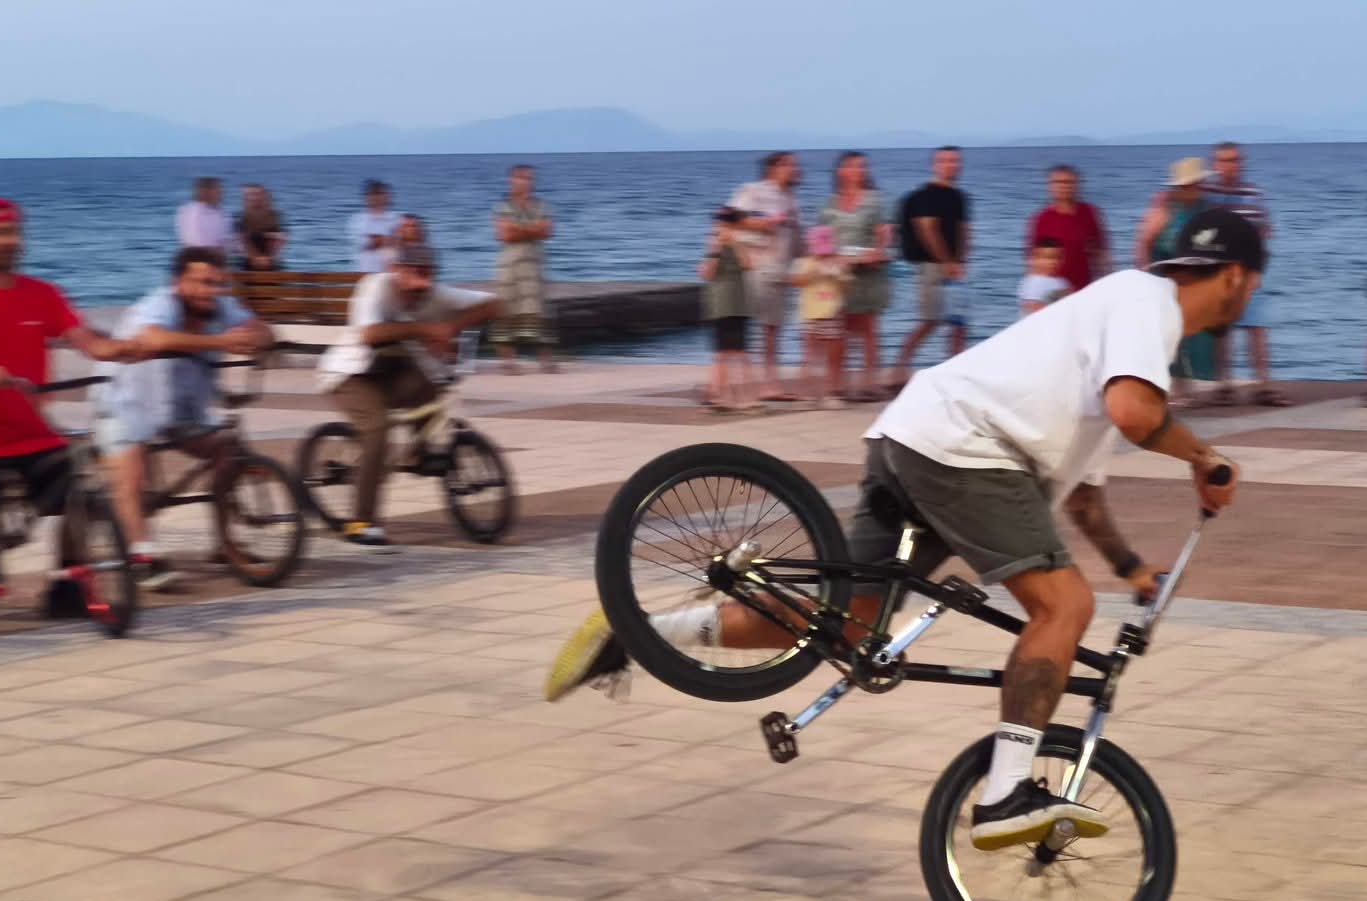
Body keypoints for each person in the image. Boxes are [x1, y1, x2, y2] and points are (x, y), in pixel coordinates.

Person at [545, 208, 1261, 849]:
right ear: (1235, 276)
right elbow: (1137, 416)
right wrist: (1205, 457)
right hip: (966, 447)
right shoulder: (1148, 303)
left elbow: (1086, 499)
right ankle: (1007, 793)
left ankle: (634, 631)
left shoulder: (1120, 322)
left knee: (847, 624)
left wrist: (1134, 571)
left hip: (916, 435)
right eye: (1253, 283)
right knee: (1064, 607)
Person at [0, 199, 139, 616]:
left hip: (34, 432)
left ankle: (65, 585)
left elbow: (85, 339)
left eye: (13, 232)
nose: (7, 241)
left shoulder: (43, 294)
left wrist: (120, 350)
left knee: (78, 494)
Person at [97, 247, 273, 589]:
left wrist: (256, 338)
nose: (210, 290)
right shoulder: (159, 305)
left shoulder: (222, 307)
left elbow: (263, 331)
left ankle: (225, 544)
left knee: (230, 452)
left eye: (217, 283)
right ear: (178, 282)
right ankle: (142, 557)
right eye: (201, 282)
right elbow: (153, 337)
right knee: (132, 472)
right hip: (127, 399)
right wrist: (219, 341)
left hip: (182, 408)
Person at [315, 244, 500, 549]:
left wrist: (450, 328)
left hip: (390, 371)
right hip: (350, 373)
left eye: (427, 277)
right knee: (378, 431)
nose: (420, 288)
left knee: (431, 386)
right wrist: (425, 330)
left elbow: (494, 305)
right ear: (396, 271)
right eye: (414, 277)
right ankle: (361, 523)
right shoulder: (376, 287)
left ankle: (418, 453)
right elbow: (369, 334)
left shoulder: (434, 294)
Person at [1207, 142, 1287, 407]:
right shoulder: (1208, 195)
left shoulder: (1252, 193)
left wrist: (1257, 271)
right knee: (1222, 331)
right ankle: (1224, 386)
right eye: (1226, 160)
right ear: (1215, 165)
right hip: (1219, 273)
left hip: (1248, 270)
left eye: (1236, 160)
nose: (1232, 166)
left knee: (1257, 328)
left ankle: (1262, 386)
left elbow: (1262, 234)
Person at [1135, 158, 1217, 404]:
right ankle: (1171, 387)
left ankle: (1187, 386)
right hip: (1164, 276)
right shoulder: (1163, 207)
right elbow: (1144, 242)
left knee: (1194, 334)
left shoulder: (1205, 207)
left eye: (1197, 184)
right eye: (1189, 185)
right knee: (1170, 334)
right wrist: (1144, 274)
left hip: (1193, 277)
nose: (1194, 188)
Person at [818, 151, 892, 403]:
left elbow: (885, 232)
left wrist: (878, 251)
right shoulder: (829, 204)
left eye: (863, 167)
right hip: (839, 273)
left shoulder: (874, 201)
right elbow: (821, 238)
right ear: (842, 171)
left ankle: (869, 384)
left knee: (868, 329)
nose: (860, 171)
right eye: (854, 166)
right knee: (838, 329)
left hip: (868, 272)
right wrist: (826, 257)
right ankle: (836, 385)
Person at [729, 152, 803, 400]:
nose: (795, 169)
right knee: (754, 327)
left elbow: (795, 240)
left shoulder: (790, 199)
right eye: (790, 165)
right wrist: (765, 223)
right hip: (758, 267)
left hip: (780, 271)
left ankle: (769, 385)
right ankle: (738, 383)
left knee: (772, 330)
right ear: (774, 167)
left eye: (795, 165)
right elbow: (730, 219)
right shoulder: (753, 191)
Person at [894, 146, 972, 380]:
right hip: (931, 266)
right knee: (930, 321)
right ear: (934, 165)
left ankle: (956, 371)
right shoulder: (926, 196)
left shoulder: (959, 196)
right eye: (945, 161)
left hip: (955, 266)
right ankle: (900, 367)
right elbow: (927, 229)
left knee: (958, 324)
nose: (951, 165)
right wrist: (946, 261)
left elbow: (963, 230)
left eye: (955, 161)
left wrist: (961, 260)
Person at [491, 164, 556, 374]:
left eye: (529, 178)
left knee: (539, 310)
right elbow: (504, 235)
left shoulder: (542, 205)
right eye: (522, 178)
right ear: (511, 180)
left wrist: (519, 229)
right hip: (509, 264)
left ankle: (546, 361)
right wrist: (533, 229)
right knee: (506, 311)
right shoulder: (502, 206)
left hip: (534, 264)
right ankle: (508, 362)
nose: (527, 182)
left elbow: (547, 231)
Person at [700, 207, 756, 413]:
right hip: (719, 305)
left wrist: (735, 242)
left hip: (738, 304)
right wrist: (715, 251)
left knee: (740, 352)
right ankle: (718, 396)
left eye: (724, 222)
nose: (720, 226)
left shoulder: (741, 241)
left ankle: (745, 397)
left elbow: (748, 264)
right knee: (721, 353)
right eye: (718, 222)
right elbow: (706, 274)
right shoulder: (712, 242)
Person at [790, 225, 850, 409]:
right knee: (810, 355)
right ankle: (808, 393)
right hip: (811, 314)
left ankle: (831, 392)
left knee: (834, 356)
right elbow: (795, 281)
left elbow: (846, 285)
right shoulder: (805, 263)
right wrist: (814, 272)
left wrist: (838, 273)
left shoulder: (838, 262)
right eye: (819, 250)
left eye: (826, 250)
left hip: (833, 312)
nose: (823, 255)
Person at [1026, 164, 1107, 294]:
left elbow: (1101, 253)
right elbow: (1033, 261)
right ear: (1050, 186)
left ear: (1077, 185)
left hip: (1083, 289)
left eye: (1069, 182)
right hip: (1052, 292)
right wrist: (1032, 294)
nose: (1064, 186)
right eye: (1058, 182)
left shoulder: (1089, 213)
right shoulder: (1041, 219)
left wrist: (1107, 284)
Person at [349, 180, 399, 275]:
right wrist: (391, 239)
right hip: (365, 274)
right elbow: (368, 243)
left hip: (392, 275)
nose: (377, 198)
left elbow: (403, 243)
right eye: (374, 194)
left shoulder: (396, 219)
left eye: (380, 194)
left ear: (387, 196)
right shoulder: (358, 220)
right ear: (366, 197)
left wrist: (380, 239)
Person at [175, 177, 233, 255]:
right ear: (206, 192)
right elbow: (196, 242)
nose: (222, 194)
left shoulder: (219, 213)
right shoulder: (193, 212)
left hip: (213, 257)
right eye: (218, 190)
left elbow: (227, 240)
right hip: (202, 257)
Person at [236, 184, 286, 271]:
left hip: (271, 263)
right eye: (250, 196)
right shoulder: (241, 218)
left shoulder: (274, 217)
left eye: (258, 195)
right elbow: (241, 240)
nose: (255, 198)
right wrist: (254, 258)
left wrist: (268, 258)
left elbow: (279, 239)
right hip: (247, 263)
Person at [1018, 239, 1070, 315]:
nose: (1053, 262)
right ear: (1037, 259)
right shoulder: (1033, 283)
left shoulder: (1062, 282)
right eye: (1048, 257)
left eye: (1058, 257)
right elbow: (1032, 310)